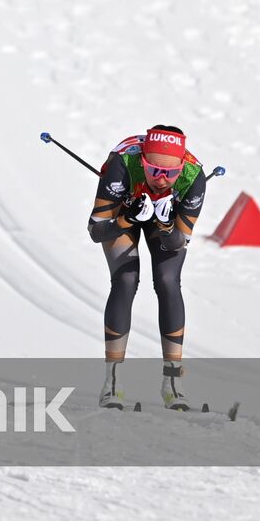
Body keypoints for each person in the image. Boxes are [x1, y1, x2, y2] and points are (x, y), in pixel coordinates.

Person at [87, 125, 208, 410]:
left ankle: (173, 383)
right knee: (126, 279)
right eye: (153, 171)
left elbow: (177, 241)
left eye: (170, 173)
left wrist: (166, 223)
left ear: (182, 167)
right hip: (123, 210)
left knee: (167, 280)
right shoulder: (123, 164)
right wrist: (127, 218)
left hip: (164, 219)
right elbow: (96, 230)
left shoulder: (193, 177)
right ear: (142, 161)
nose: (161, 180)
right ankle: (112, 383)